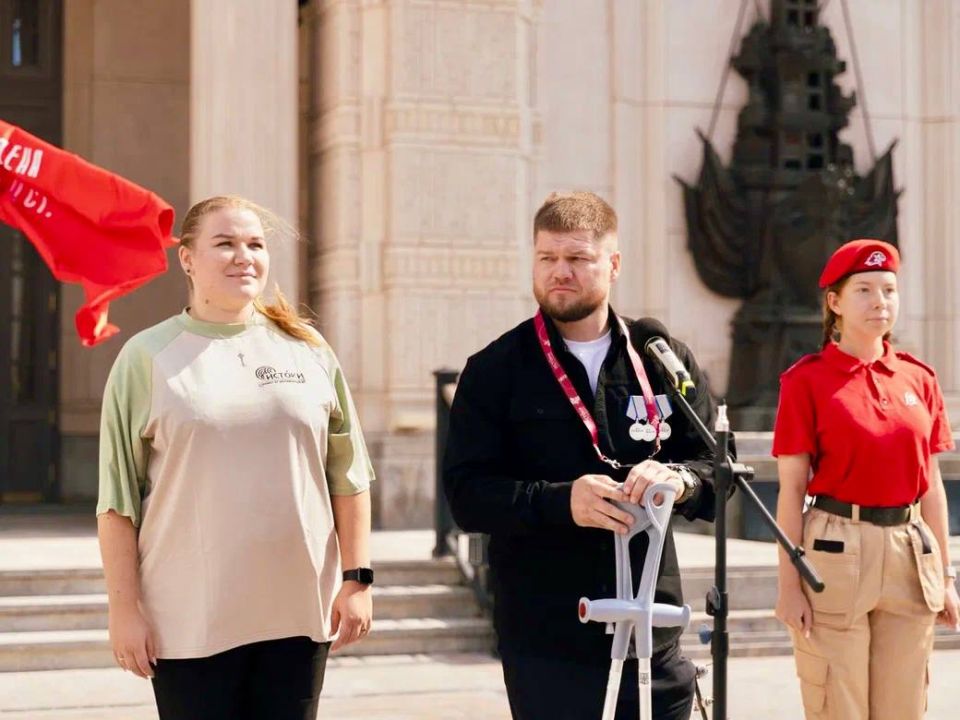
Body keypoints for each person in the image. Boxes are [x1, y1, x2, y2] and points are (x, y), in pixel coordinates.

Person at [444, 191, 724, 720]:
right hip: (549, 638)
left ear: (613, 264)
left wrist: (681, 479)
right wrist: (559, 502)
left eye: (577, 259)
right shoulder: (495, 369)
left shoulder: (661, 358)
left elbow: (719, 469)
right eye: (547, 258)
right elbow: (467, 495)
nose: (559, 273)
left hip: (653, 630)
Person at [96, 195, 376, 720]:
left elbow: (350, 474)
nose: (243, 256)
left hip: (296, 612)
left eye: (255, 244)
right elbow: (117, 501)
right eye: (224, 243)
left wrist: (357, 581)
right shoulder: (145, 358)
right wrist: (123, 608)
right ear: (187, 258)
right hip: (188, 619)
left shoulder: (309, 348)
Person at [773, 239, 960, 720]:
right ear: (834, 302)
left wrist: (947, 577)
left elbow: (932, 487)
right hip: (834, 553)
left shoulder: (919, 378)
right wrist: (789, 586)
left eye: (889, 290)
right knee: (840, 704)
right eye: (864, 290)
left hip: (908, 551)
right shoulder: (806, 380)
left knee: (903, 707)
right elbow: (791, 490)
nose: (881, 301)